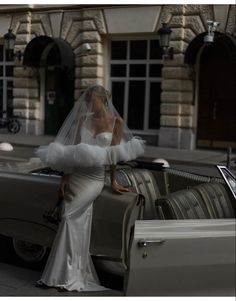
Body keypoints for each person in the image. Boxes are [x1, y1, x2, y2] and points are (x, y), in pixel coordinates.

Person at [35, 85, 145, 292]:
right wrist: (65, 176)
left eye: (91, 100)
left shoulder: (116, 122)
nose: (87, 104)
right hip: (77, 177)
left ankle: (66, 275)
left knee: (69, 218)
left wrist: (113, 181)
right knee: (72, 219)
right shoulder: (81, 120)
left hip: (94, 179)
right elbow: (73, 152)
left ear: (103, 100)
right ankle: (65, 274)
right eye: (86, 100)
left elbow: (113, 156)